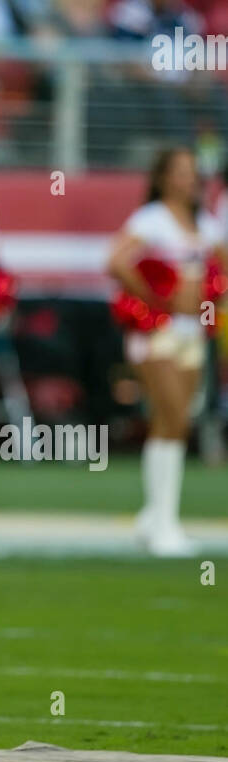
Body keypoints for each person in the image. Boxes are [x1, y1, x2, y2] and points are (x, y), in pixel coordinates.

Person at [108, 147, 223, 556]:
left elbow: (220, 265)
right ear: (161, 178)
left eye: (192, 173)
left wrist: (212, 297)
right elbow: (117, 261)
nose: (187, 180)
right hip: (157, 333)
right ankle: (162, 521)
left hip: (191, 332)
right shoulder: (150, 219)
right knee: (169, 416)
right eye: (178, 173)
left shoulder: (204, 222)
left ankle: (157, 517)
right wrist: (156, 296)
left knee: (178, 422)